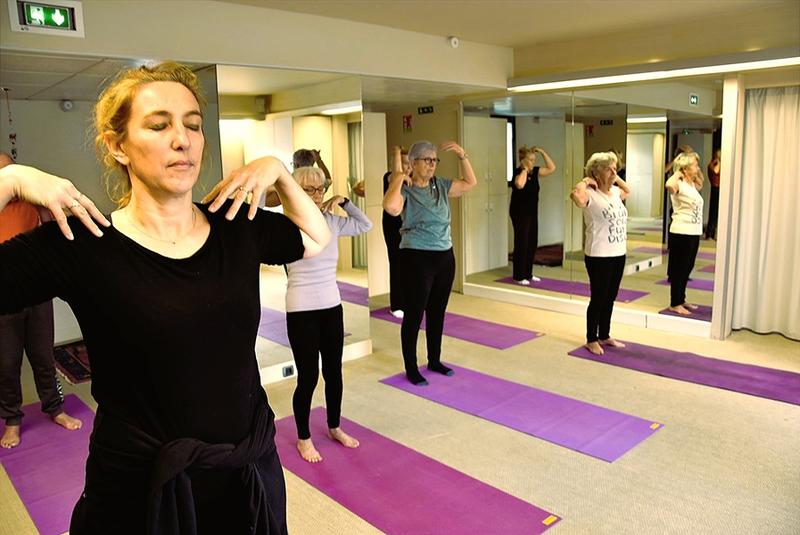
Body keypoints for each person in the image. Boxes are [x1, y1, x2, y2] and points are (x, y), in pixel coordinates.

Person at [0, 62, 330, 534]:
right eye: (159, 125)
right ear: (117, 146)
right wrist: (10, 182)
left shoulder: (234, 224)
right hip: (141, 488)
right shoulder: (84, 242)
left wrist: (279, 172)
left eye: (192, 125)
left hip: (244, 477)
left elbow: (315, 238)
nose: (183, 140)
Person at [284, 166, 372, 463]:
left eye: (320, 188)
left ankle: (334, 426)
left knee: (334, 372)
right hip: (301, 309)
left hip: (332, 306)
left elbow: (365, 224)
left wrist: (344, 201)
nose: (317, 194)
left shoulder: (332, 221)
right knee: (308, 376)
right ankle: (303, 438)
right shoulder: (288, 224)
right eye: (308, 189)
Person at [0, 151, 82, 449]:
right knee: (6, 364)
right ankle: (12, 420)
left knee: (44, 358)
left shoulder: (29, 204)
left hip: (37, 295)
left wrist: (42, 204)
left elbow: (52, 233)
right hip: (3, 301)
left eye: (11, 171)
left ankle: (55, 409)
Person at [383, 141, 477, 386]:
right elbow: (391, 208)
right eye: (427, 159)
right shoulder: (406, 189)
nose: (432, 164)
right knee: (414, 315)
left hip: (444, 256)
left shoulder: (441, 185)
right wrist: (398, 178)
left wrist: (463, 156)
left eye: (435, 160)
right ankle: (411, 367)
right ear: (413, 162)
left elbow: (470, 183)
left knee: (437, 312)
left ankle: (434, 360)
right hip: (416, 256)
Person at [570, 152, 631, 356]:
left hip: (618, 252)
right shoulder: (589, 193)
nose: (614, 172)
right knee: (599, 297)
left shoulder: (615, 192)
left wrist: (614, 176)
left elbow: (628, 190)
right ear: (596, 173)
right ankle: (591, 339)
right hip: (599, 254)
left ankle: (604, 334)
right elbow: (576, 198)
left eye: (615, 168)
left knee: (611, 296)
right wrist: (584, 181)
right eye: (608, 169)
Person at [509, 145, 556, 284]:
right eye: (530, 160)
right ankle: (519, 276)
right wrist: (524, 169)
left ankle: (528, 273)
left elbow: (552, 168)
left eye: (534, 160)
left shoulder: (535, 172)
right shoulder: (517, 172)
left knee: (532, 242)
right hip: (519, 213)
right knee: (522, 242)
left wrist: (542, 152)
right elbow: (520, 184)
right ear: (523, 160)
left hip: (531, 212)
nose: (533, 162)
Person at [666, 152, 704, 315]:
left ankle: (681, 299)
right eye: (694, 165)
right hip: (681, 232)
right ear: (685, 168)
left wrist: (695, 170)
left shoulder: (692, 185)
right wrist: (678, 172)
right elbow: (669, 185)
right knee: (679, 269)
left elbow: (702, 181)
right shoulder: (678, 184)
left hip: (694, 232)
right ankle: (675, 303)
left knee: (688, 267)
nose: (697, 168)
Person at [705, 149, 721, 240]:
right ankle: (709, 233)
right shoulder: (712, 165)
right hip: (715, 188)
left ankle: (715, 233)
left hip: (720, 188)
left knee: (718, 212)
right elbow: (716, 171)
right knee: (713, 212)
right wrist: (718, 162)